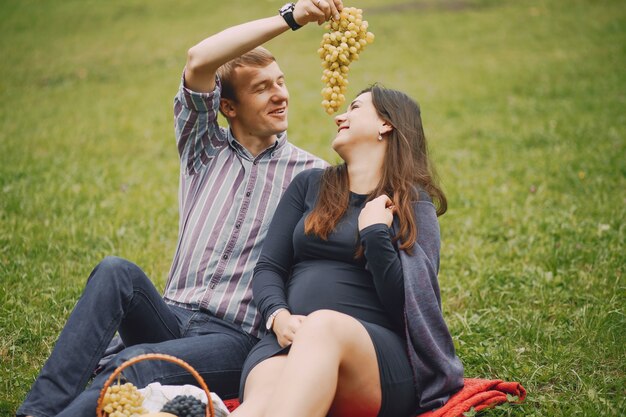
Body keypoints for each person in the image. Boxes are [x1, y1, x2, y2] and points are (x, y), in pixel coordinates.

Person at [16, 1, 341, 416]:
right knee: (116, 271)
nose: (280, 95)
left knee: (131, 365)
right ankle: (37, 411)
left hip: (234, 336)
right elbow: (199, 59)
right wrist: (291, 16)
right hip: (171, 313)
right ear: (228, 107)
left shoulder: (311, 175)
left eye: (280, 82)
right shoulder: (203, 148)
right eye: (262, 88)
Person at [232, 85, 464, 417]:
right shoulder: (309, 185)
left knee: (323, 325)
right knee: (257, 408)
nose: (341, 115)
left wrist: (375, 234)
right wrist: (278, 317)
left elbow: (410, 304)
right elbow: (269, 267)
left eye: (355, 108)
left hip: (375, 357)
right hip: (286, 342)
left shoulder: (412, 203)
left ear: (386, 123)